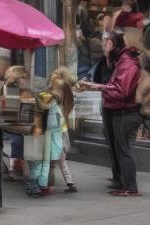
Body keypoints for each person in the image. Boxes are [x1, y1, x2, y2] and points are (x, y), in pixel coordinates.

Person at [81, 31, 142, 196]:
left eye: (107, 43)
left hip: (126, 112)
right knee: (121, 150)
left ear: (115, 45)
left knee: (124, 150)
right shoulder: (119, 62)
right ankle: (125, 184)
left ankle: (130, 188)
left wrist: (98, 87)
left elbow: (121, 90)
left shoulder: (126, 63)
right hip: (121, 111)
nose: (104, 45)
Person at [48, 67, 77, 193]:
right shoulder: (64, 105)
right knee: (61, 162)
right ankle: (70, 183)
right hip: (61, 137)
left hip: (56, 138)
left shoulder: (56, 106)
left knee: (51, 164)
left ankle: (50, 186)